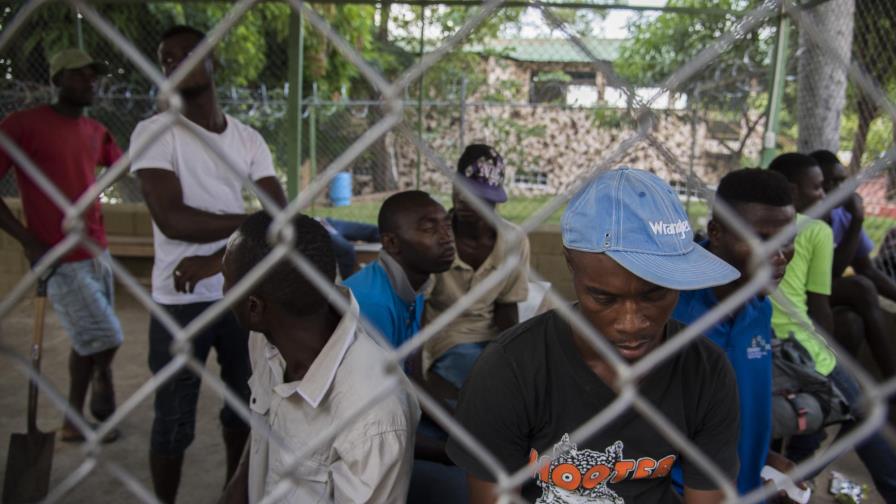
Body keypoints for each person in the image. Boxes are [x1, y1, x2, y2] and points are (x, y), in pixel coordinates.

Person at [447, 167, 742, 503]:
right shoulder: (510, 369)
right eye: (604, 298)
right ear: (571, 264)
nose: (630, 324)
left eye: (654, 294)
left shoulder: (705, 371)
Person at [129, 25, 288, 503]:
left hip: (238, 292)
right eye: (166, 58)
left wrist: (219, 260)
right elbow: (173, 219)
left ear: (212, 59)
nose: (176, 63)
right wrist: (254, 221)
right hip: (178, 302)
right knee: (173, 418)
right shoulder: (155, 133)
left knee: (244, 406)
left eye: (188, 53)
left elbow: (280, 221)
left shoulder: (247, 139)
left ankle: (231, 495)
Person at [219, 212, 420, 503]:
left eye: (226, 280)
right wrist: (238, 485)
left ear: (253, 308)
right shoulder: (264, 339)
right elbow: (266, 418)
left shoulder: (373, 415)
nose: (222, 293)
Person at [0, 48, 123, 442]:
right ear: (57, 79)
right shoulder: (22, 126)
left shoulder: (95, 130)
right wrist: (27, 239)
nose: (90, 81)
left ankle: (73, 420)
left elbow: (121, 165)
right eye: (79, 74)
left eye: (93, 74)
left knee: (88, 339)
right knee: (107, 335)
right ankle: (101, 381)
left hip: (98, 250)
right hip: (58, 255)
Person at [769, 152, 896, 501]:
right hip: (799, 342)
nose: (825, 194)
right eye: (819, 187)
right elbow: (819, 306)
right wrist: (829, 355)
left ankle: (786, 476)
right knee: (865, 415)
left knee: (803, 423)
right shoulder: (816, 230)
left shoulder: (748, 223)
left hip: (762, 338)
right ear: (793, 190)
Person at [672, 168, 798, 496]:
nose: (779, 256)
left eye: (787, 240)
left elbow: (740, 407)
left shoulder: (760, 307)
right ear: (716, 232)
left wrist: (762, 458)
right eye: (761, 239)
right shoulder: (670, 310)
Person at [423, 144, 529, 395]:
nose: (464, 200)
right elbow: (417, 310)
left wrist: (514, 355)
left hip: (490, 338)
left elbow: (507, 307)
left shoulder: (514, 241)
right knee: (485, 381)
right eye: (461, 188)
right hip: (443, 339)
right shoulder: (435, 239)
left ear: (493, 199)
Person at [810, 149, 896, 378]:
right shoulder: (804, 219)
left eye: (842, 181)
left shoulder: (842, 215)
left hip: (825, 294)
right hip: (803, 292)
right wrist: (857, 221)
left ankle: (842, 382)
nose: (839, 189)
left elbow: (866, 268)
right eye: (830, 183)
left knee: (851, 322)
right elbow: (833, 272)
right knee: (860, 287)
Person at [342, 190, 455, 348]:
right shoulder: (372, 304)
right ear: (391, 242)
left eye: (447, 226)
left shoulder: (414, 282)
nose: (447, 238)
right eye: (429, 228)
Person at [316, 217, 380, 279]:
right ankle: (350, 284)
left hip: (326, 222)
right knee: (346, 250)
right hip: (317, 229)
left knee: (376, 231)